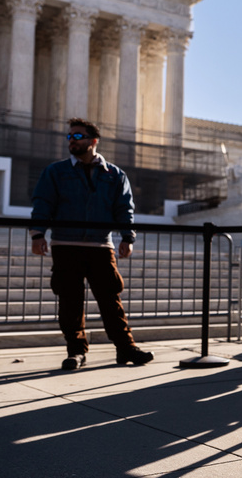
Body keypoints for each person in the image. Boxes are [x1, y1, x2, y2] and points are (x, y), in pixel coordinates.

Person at [30, 118, 154, 371]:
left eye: (77, 137)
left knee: (111, 299)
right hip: (66, 245)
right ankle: (76, 352)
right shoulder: (55, 171)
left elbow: (124, 208)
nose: (71, 141)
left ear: (93, 141)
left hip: (101, 246)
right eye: (69, 137)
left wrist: (127, 237)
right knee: (70, 302)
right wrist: (37, 234)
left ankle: (126, 347)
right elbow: (43, 203)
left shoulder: (115, 174)